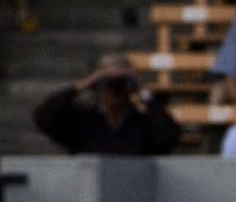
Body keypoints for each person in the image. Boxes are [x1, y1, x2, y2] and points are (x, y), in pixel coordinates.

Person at [33, 53, 180, 154]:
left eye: (122, 84)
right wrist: (84, 84)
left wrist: (142, 90)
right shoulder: (83, 122)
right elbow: (44, 116)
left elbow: (168, 136)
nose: (116, 90)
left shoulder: (142, 125)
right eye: (109, 84)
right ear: (98, 86)